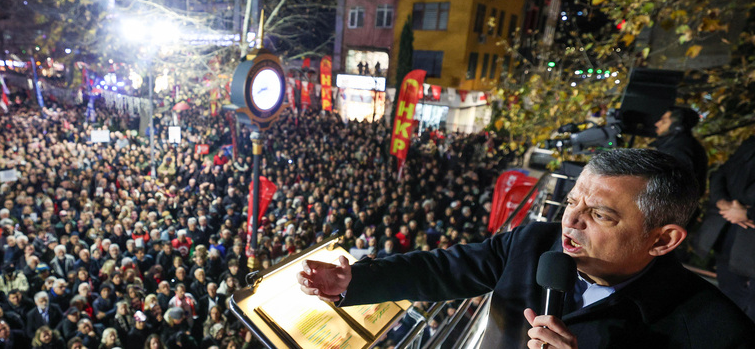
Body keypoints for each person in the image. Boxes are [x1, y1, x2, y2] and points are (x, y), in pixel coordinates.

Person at [298, 149, 755, 348]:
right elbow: (445, 269)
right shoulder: (533, 242)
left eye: (600, 215)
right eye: (573, 201)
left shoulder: (716, 332)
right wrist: (354, 279)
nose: (570, 222)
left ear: (663, 239)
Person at [694, 136, 755, 322]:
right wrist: (722, 201)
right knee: (728, 306)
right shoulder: (750, 144)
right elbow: (720, 173)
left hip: (750, 250)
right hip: (728, 239)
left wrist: (749, 214)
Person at [650, 106, 708, 196]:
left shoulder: (678, 149)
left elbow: (675, 186)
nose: (657, 124)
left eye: (664, 121)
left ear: (677, 127)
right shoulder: (680, 144)